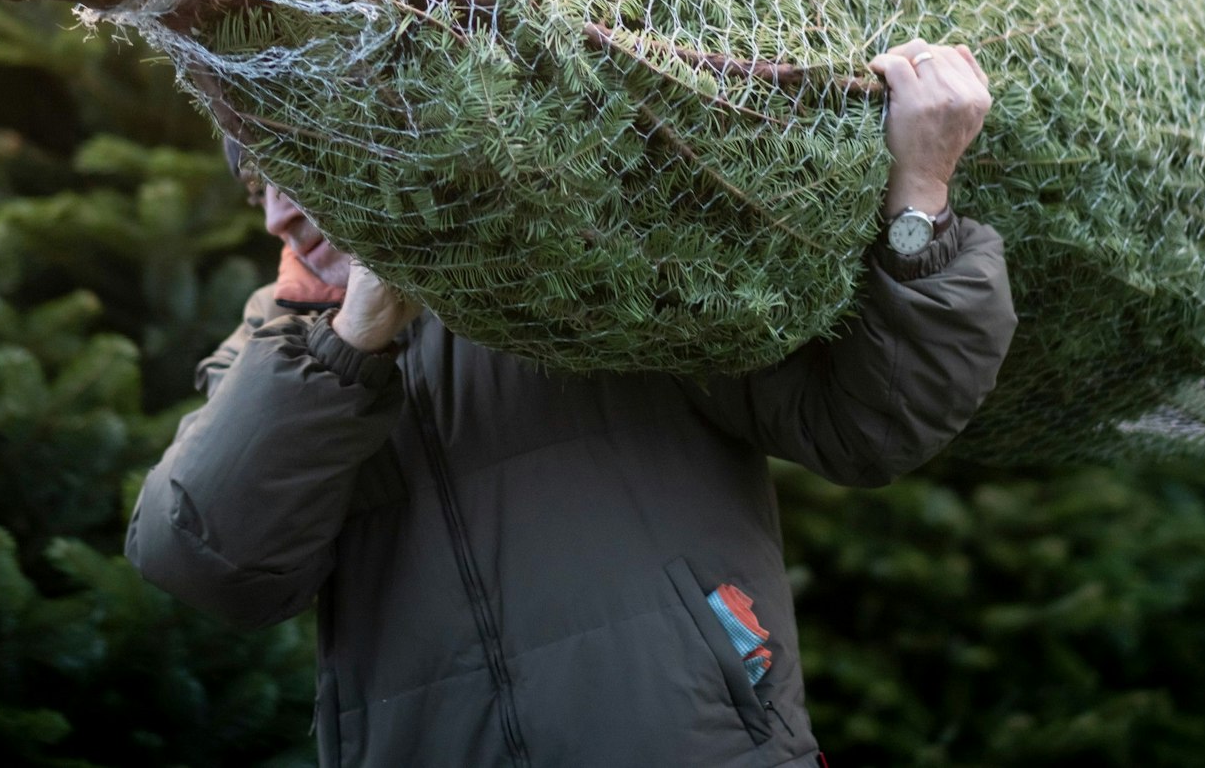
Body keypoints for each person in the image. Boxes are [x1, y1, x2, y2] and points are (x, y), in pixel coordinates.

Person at [126, 39, 1016, 768]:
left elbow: (870, 424)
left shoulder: (593, 265)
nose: (280, 212)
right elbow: (205, 561)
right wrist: (352, 341)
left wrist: (919, 201)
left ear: (376, 139)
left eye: (299, 161)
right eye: (258, 184)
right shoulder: (285, 339)